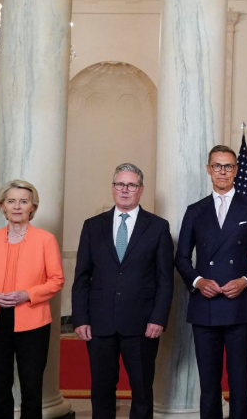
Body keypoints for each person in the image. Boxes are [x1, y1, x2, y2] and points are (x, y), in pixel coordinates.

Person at [174, 144, 247, 419]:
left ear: (235, 170)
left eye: (228, 166)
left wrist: (246, 280)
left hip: (238, 305)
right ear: (209, 170)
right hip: (204, 305)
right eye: (217, 166)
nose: (223, 171)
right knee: (208, 382)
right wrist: (197, 281)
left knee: (240, 381)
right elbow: (181, 257)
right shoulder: (195, 211)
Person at [72, 163, 174, 419]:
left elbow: (165, 279)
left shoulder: (158, 227)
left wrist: (158, 318)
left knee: (141, 390)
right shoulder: (92, 226)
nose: (125, 190)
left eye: (131, 185)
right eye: (120, 184)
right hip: (99, 323)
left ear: (141, 190)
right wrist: (80, 318)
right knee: (101, 389)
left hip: (142, 324)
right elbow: (82, 277)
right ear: (112, 188)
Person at [0, 180, 65, 419]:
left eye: (24, 201)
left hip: (33, 322)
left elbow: (56, 279)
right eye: (11, 201)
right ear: (2, 206)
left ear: (32, 207)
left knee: (31, 387)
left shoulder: (46, 240)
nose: (17, 206)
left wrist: (28, 294)